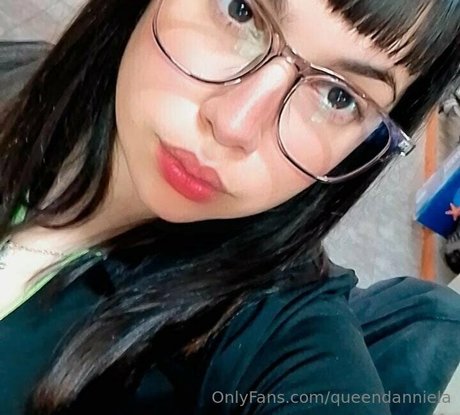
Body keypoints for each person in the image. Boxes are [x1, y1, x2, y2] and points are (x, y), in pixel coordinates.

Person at [0, 0, 459, 414]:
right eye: (242, 12)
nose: (234, 125)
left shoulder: (271, 337)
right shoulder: (17, 78)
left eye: (338, 97)